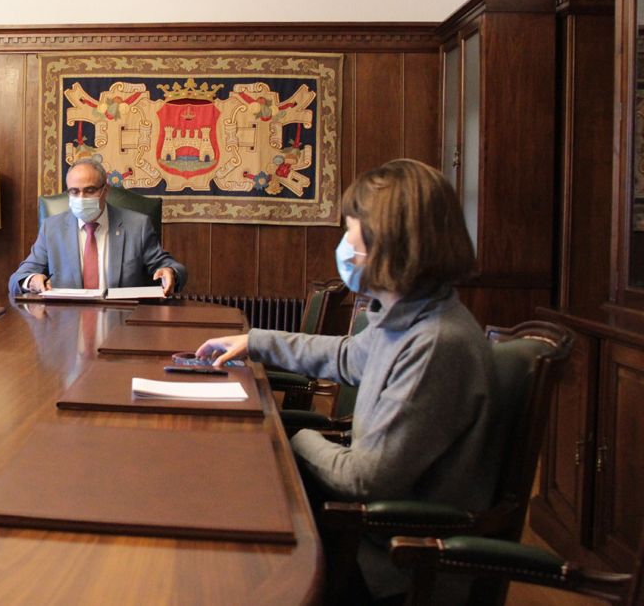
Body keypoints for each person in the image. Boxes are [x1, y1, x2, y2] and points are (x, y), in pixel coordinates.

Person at [196, 159, 498, 603]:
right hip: (361, 531)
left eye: (350, 231)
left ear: (389, 243)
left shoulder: (434, 342)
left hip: (388, 562)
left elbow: (363, 479)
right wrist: (254, 341)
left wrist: (291, 435)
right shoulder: (410, 314)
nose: (344, 246)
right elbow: (347, 355)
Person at [7, 159, 186, 297]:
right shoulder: (52, 228)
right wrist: (31, 281)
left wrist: (170, 273)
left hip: (123, 321)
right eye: (74, 191)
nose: (82, 197)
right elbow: (17, 279)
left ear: (105, 190)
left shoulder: (137, 226)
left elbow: (171, 267)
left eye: (90, 190)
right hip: (66, 323)